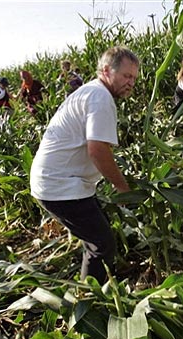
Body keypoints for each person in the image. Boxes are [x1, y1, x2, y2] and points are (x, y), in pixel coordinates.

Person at [30, 46, 140, 284]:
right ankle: (90, 301)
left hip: (60, 182)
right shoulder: (99, 97)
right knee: (102, 244)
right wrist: (124, 189)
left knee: (100, 228)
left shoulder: (91, 91)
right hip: (60, 186)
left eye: (134, 78)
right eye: (126, 76)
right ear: (107, 70)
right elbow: (98, 151)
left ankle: (103, 278)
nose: (131, 83)